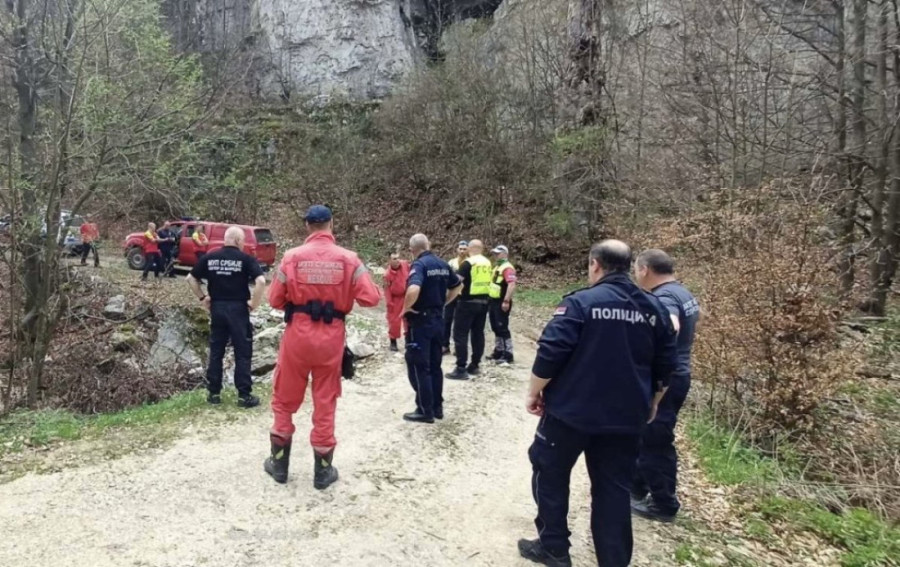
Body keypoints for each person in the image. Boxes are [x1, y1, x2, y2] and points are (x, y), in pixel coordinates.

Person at [518, 240, 677, 567]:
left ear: (594, 264)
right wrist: (654, 403)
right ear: (630, 266)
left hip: (569, 415)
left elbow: (550, 353)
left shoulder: (580, 303)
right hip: (625, 418)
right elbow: (666, 366)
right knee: (613, 490)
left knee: (549, 473)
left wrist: (534, 393)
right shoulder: (653, 308)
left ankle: (554, 547)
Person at [264, 205, 381, 490]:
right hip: (330, 340)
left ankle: (279, 465)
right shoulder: (350, 259)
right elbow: (372, 299)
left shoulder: (291, 257)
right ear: (331, 224)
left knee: (284, 398)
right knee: (325, 400)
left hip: (297, 338)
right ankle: (323, 472)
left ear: (307, 226)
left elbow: (274, 300)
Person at [631, 249, 700, 523]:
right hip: (679, 373)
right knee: (647, 434)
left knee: (655, 439)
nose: (635, 275)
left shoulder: (664, 297)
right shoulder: (683, 292)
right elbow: (696, 319)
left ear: (645, 269)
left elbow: (670, 325)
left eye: (636, 269)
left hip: (667, 378)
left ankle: (664, 503)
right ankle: (637, 487)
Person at [186, 226, 265, 409]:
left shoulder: (210, 257)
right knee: (242, 351)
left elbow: (190, 278)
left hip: (217, 308)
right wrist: (254, 303)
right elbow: (261, 281)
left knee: (216, 351)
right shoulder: (246, 259)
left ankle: (213, 393)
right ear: (238, 240)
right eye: (243, 240)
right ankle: (244, 396)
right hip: (238, 308)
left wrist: (202, 297)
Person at [401, 234, 462, 423]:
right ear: (429, 245)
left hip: (421, 322)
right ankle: (437, 407)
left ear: (412, 250)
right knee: (436, 366)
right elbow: (458, 285)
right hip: (438, 321)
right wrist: (444, 303)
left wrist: (405, 308)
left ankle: (424, 410)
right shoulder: (443, 264)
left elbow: (413, 289)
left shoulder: (420, 265)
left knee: (420, 366)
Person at [446, 239, 492, 380]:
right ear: (482, 249)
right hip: (484, 303)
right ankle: (475, 365)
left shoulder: (468, 263)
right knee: (478, 334)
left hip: (467, 302)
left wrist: (447, 298)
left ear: (469, 249)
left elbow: (457, 281)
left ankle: (461, 368)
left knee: (460, 334)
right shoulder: (487, 263)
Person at [487, 244, 517, 364]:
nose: (495, 255)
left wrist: (506, 301)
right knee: (495, 326)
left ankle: (508, 354)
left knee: (502, 327)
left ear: (505, 254)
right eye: (494, 253)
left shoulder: (507, 268)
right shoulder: (498, 267)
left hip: (501, 301)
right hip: (493, 300)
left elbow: (511, 284)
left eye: (497, 253)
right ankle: (499, 351)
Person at [443, 241, 468, 355]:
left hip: (464, 296)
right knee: (446, 320)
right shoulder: (451, 262)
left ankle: (459, 347)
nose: (462, 251)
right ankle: (445, 345)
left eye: (464, 249)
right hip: (451, 295)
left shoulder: (470, 263)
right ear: (457, 249)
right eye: (460, 248)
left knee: (461, 323)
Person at [384, 251, 410, 352]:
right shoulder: (387, 275)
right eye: (394, 259)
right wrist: (389, 303)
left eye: (398, 258)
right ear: (389, 261)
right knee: (394, 321)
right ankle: (393, 342)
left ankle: (409, 341)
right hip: (395, 298)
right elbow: (386, 290)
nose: (397, 260)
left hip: (407, 296)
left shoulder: (405, 265)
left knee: (408, 319)